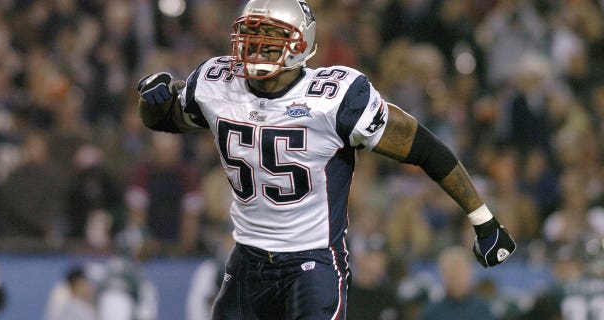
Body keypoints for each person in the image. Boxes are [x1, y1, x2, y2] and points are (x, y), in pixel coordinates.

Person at [136, 1, 516, 318]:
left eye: (271, 35)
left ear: (301, 44)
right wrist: (152, 98)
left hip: (312, 262)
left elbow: (424, 148)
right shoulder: (216, 82)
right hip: (246, 259)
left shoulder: (335, 97)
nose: (256, 44)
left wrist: (483, 219)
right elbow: (165, 120)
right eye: (251, 32)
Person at [418, 246, 494, 320]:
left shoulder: (482, 308)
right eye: (452, 272)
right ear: (443, 275)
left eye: (461, 272)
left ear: (470, 274)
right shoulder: (432, 311)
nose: (457, 277)